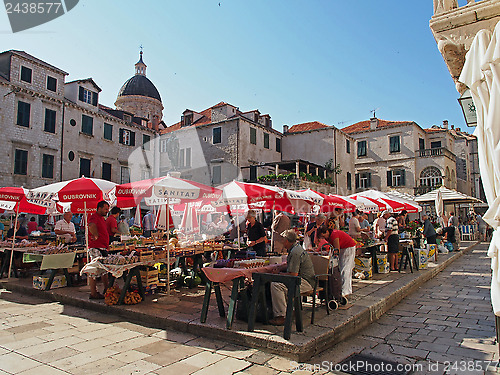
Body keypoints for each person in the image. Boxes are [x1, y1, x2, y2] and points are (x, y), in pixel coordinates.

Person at [269, 230, 315, 325]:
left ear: (287, 240)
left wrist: (279, 275)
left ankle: (281, 315)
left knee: (276, 285)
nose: (282, 242)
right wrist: (280, 268)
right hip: (303, 279)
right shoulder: (295, 249)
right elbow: (292, 266)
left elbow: (293, 275)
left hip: (305, 282)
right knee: (278, 282)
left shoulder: (295, 252)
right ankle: (288, 310)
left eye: (283, 239)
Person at [87, 200, 110, 300]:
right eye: (105, 209)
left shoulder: (102, 218)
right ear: (99, 208)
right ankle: (93, 293)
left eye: (108, 209)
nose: (107, 211)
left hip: (102, 247)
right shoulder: (94, 216)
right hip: (96, 247)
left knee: (104, 270)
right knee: (94, 270)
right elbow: (91, 225)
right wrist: (95, 234)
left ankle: (107, 289)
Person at [328, 229, 356, 297]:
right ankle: (342, 289)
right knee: (341, 268)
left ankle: (346, 291)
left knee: (345, 269)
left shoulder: (334, 235)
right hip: (344, 248)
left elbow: (337, 249)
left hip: (348, 248)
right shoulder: (331, 235)